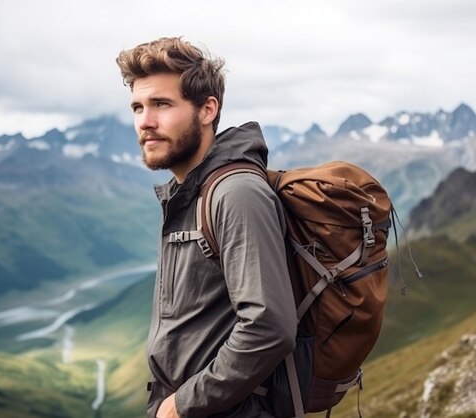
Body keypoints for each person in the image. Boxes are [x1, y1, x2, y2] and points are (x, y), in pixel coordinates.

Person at [116, 37, 297, 418]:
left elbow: (269, 327)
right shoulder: (189, 192)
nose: (145, 122)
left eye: (162, 104)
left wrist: (182, 404)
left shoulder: (236, 194)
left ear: (207, 109)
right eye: (137, 107)